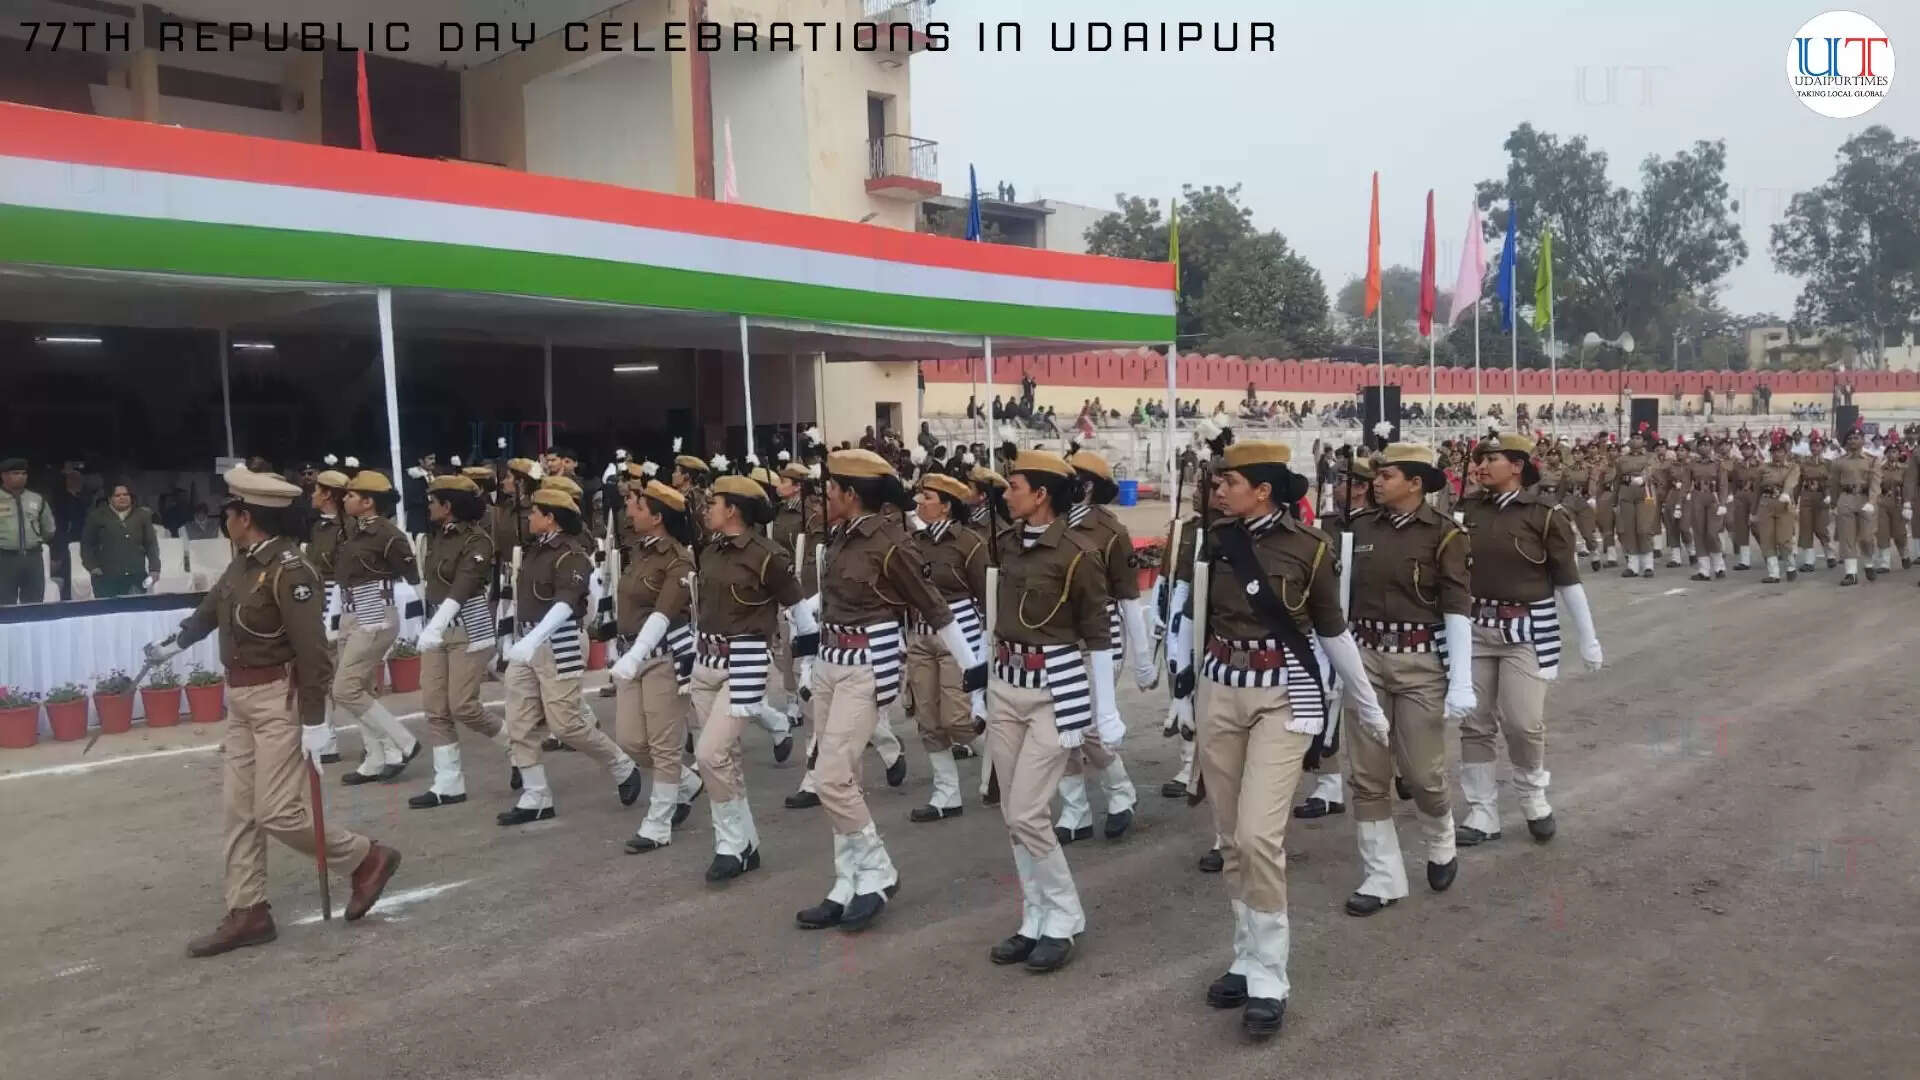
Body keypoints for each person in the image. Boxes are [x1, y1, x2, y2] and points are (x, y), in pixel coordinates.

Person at [143, 466, 401, 957]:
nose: (226, 520)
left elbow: (312, 652)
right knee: (238, 811)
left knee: (279, 813)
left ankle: (366, 858)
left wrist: (315, 721)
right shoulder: (243, 564)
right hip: (240, 698)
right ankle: (249, 911)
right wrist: (174, 643)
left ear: (246, 517)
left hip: (277, 699)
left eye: (230, 512)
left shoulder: (291, 570)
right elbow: (211, 610)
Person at [1188, 441, 1387, 1039]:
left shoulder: (1311, 548)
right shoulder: (1216, 539)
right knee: (1229, 838)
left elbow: (1331, 628)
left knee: (1258, 836)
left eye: (1230, 482)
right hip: (1220, 688)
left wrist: (1364, 701)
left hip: (1284, 693)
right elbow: (1194, 617)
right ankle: (1246, 958)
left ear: (1264, 490)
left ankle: (1271, 975)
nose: (1219, 490)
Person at [795, 450, 984, 932]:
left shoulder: (892, 544)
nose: (825, 495)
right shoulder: (836, 538)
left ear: (852, 494)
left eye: (831, 487)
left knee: (832, 778)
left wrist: (974, 669)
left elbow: (934, 607)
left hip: (865, 668)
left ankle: (877, 871)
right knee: (839, 774)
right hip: (829, 664)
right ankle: (846, 881)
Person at [983, 450, 1112, 974]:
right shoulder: (1007, 545)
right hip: (1005, 686)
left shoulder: (1078, 554)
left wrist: (1105, 709)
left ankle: (1064, 915)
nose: (1005, 493)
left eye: (1014, 486)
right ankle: (1033, 916)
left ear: (1040, 495)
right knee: (1012, 815)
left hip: (1053, 690)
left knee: (1028, 811)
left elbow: (1098, 634)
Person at [1341, 444, 1472, 917]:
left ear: (1415, 483)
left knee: (1422, 775)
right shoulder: (1357, 529)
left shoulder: (1444, 534)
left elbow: (1457, 606)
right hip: (1366, 659)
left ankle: (1441, 837)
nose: (1375, 481)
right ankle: (1382, 876)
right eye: (1376, 474)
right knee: (1368, 773)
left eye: (1387, 475)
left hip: (1420, 664)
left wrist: (1461, 679)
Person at [1456, 435, 1604, 848]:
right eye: (1480, 459)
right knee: (1475, 722)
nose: (1481, 466)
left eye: (1492, 459)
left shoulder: (1544, 516)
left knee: (1523, 722)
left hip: (1525, 632)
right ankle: (1481, 810)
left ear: (1518, 465)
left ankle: (1532, 794)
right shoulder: (1466, 510)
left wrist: (1588, 638)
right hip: (1475, 629)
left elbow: (1568, 582)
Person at [498, 486, 644, 825]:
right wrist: (518, 639)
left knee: (566, 725)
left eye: (536, 512)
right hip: (527, 644)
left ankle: (621, 764)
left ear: (551, 519)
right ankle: (536, 795)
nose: (530, 516)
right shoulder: (536, 551)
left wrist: (534, 638)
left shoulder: (572, 555)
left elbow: (566, 604)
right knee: (519, 720)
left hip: (557, 644)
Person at [691, 474, 810, 881]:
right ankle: (747, 844)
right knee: (727, 760)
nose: (707, 508)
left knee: (709, 753)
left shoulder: (767, 556)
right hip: (705, 660)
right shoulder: (709, 551)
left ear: (734, 509)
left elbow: (800, 611)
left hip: (744, 658)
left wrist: (810, 665)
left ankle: (730, 844)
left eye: (714, 502)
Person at [1053, 450, 1154, 843]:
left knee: (1092, 727)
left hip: (1099, 635)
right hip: (1058, 637)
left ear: (1087, 485)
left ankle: (1119, 793)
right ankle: (1075, 810)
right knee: (1061, 727)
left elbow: (1129, 598)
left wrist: (1142, 659)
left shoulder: (1110, 531)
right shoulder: (1050, 524)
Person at [604, 479, 701, 852]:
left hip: (662, 656)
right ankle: (687, 783)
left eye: (639, 508)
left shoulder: (678, 559)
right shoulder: (638, 552)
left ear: (658, 518)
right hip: (632, 655)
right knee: (630, 740)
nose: (630, 512)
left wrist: (634, 655)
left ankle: (659, 822)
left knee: (664, 746)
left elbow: (663, 613)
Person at [407, 475, 508, 810]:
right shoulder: (437, 538)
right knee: (436, 707)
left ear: (448, 506)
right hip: (438, 628)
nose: (429, 506)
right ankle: (448, 783)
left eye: (433, 500)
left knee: (463, 705)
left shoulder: (478, 541)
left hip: (467, 628)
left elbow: (464, 585)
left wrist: (434, 626)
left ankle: (518, 748)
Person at [903, 470, 989, 823]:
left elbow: (986, 597)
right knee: (927, 720)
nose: (920, 502)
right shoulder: (912, 541)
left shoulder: (968, 543)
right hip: (920, 637)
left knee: (959, 719)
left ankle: (1000, 764)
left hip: (960, 637)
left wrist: (983, 649)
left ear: (946, 507)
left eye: (928, 498)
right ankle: (946, 794)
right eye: (921, 496)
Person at [331, 470, 425, 785]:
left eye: (351, 495)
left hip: (374, 613)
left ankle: (403, 741)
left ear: (369, 502)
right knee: (360, 689)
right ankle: (376, 757)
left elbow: (413, 576)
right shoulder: (354, 531)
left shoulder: (388, 535)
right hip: (350, 612)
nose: (345, 499)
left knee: (344, 689)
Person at [81, 482, 161, 597]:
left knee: (135, 611)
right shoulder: (96, 516)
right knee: (108, 613)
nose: (122, 497)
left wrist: (154, 568)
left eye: (125, 494)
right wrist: (92, 567)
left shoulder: (142, 515)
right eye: (117, 495)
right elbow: (86, 545)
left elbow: (151, 544)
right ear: (110, 499)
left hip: (136, 576)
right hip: (106, 578)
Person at [0, 457, 55, 605]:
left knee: (34, 602)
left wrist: (36, 540)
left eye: (24, 473)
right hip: (4, 559)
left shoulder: (37, 499)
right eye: (16, 473)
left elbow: (49, 529)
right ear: (4, 475)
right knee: (4, 604)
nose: (21, 477)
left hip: (32, 558)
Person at [1829, 429, 1880, 586]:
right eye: (1849, 438)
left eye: (1856, 438)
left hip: (1865, 499)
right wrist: (1834, 504)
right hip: (1846, 499)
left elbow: (1875, 484)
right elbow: (1834, 484)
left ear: (1863, 440)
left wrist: (1871, 502)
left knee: (1866, 537)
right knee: (1847, 537)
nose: (1852, 441)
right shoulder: (1839, 461)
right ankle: (1851, 573)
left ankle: (1869, 563)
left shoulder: (1872, 460)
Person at [1752, 438, 1800, 583]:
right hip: (1766, 504)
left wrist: (1785, 493)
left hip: (1784, 504)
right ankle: (1774, 573)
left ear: (1786, 453)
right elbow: (1757, 490)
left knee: (1784, 538)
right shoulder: (1763, 468)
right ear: (1771, 453)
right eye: (1774, 451)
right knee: (1767, 539)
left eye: (1780, 451)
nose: (1777, 454)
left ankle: (1790, 566)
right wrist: (1753, 512)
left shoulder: (1793, 467)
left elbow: (1791, 481)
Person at [1611, 434, 1659, 578]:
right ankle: (1633, 566)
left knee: (1643, 529)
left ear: (1644, 441)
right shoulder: (1621, 459)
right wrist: (1614, 501)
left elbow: (1652, 470)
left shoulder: (1650, 456)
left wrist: (1643, 478)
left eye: (1639, 438)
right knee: (1629, 530)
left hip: (1645, 493)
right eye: (1633, 438)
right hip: (1626, 493)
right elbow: (1617, 479)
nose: (1635, 440)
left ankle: (1648, 565)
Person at [1796, 433, 1835, 572]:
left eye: (1818, 445)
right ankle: (1809, 561)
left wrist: (1830, 496)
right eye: (1813, 445)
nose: (1815, 448)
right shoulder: (1803, 463)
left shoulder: (1828, 464)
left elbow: (1831, 482)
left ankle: (1830, 554)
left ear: (1823, 448)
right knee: (1806, 529)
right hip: (1806, 497)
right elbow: (1798, 483)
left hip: (1821, 497)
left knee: (1821, 528)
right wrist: (1795, 500)